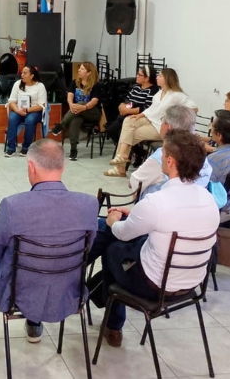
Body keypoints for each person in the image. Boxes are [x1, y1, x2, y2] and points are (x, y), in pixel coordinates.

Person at [0, 139, 98, 347]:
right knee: (50, 255)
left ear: (31, 167)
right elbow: (87, 249)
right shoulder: (89, 204)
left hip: (19, 292)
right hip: (67, 291)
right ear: (63, 166)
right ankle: (34, 324)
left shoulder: (13, 206)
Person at [92, 130, 219, 347]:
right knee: (134, 241)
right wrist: (136, 215)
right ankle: (94, 295)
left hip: (154, 286)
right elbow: (173, 222)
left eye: (163, 153)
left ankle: (112, 322)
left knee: (112, 244)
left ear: (170, 161)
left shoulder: (156, 202)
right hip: (191, 283)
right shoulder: (209, 200)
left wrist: (113, 220)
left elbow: (122, 232)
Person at [107, 68, 197, 175]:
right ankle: (122, 155)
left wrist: (174, 117)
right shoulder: (159, 92)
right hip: (150, 119)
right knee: (128, 120)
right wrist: (139, 115)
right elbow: (152, 108)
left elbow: (194, 108)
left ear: (167, 79)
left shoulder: (177, 95)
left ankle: (120, 166)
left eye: (160, 76)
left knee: (128, 135)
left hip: (159, 126)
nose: (157, 78)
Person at [127, 105, 212, 189]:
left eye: (162, 121)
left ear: (168, 127)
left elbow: (134, 183)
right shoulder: (200, 154)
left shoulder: (163, 154)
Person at [49, 61, 106, 161]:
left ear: (89, 73)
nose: (79, 70)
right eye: (79, 68)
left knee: (81, 103)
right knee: (75, 120)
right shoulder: (75, 82)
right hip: (77, 112)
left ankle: (61, 125)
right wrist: (71, 105)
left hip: (93, 112)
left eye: (82, 69)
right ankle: (73, 149)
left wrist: (83, 107)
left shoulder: (96, 85)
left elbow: (94, 101)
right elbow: (70, 95)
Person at [105, 66, 159, 146]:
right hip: (127, 114)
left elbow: (146, 108)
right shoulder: (136, 87)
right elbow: (128, 100)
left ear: (147, 78)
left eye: (139, 75)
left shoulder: (153, 90)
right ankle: (130, 149)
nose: (137, 76)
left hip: (139, 117)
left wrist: (127, 111)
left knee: (121, 133)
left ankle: (131, 149)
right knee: (111, 130)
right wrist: (122, 106)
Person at [5, 65, 48, 157]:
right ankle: (11, 147)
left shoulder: (40, 86)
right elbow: (11, 101)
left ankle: (26, 147)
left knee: (30, 120)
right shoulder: (17, 84)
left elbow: (41, 105)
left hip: (34, 111)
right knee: (12, 118)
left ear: (31, 75)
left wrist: (28, 110)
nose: (22, 75)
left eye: (25, 73)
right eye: (21, 73)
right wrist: (18, 110)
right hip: (19, 110)